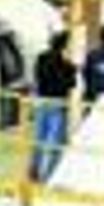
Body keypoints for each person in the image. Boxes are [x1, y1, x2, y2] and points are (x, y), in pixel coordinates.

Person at [30, 30, 77, 183]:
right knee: (54, 142)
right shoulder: (67, 66)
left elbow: (37, 77)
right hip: (58, 104)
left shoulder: (41, 58)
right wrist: (71, 71)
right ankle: (47, 175)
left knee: (38, 138)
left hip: (42, 101)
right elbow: (71, 84)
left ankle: (33, 171)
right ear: (64, 46)